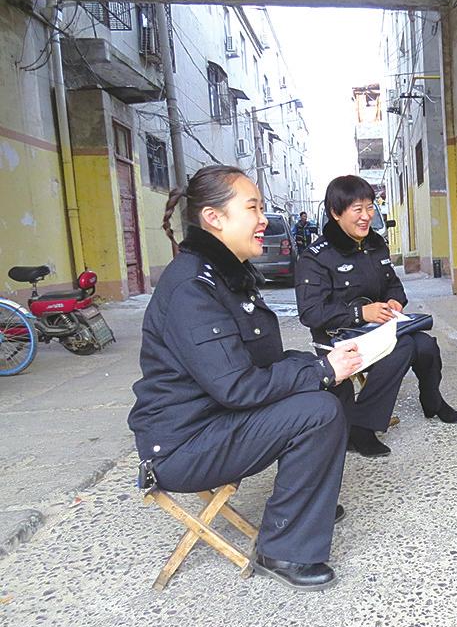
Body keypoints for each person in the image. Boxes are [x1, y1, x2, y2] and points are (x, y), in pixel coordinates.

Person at [128, 165, 363, 592]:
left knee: (332, 386)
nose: (263, 220)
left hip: (216, 418)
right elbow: (237, 386)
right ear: (214, 218)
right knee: (318, 410)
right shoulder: (192, 287)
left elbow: (260, 362)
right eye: (252, 208)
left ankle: (309, 504)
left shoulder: (226, 275)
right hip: (185, 445)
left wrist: (328, 364)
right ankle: (283, 549)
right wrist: (320, 371)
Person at [295, 174, 457, 458]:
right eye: (357, 209)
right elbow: (311, 313)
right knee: (404, 345)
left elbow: (393, 285)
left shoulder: (375, 245)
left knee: (425, 344)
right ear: (336, 213)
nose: (366, 216)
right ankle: (362, 426)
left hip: (378, 330)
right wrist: (360, 313)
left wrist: (395, 301)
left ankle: (432, 399)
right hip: (339, 340)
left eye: (370, 207)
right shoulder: (316, 257)